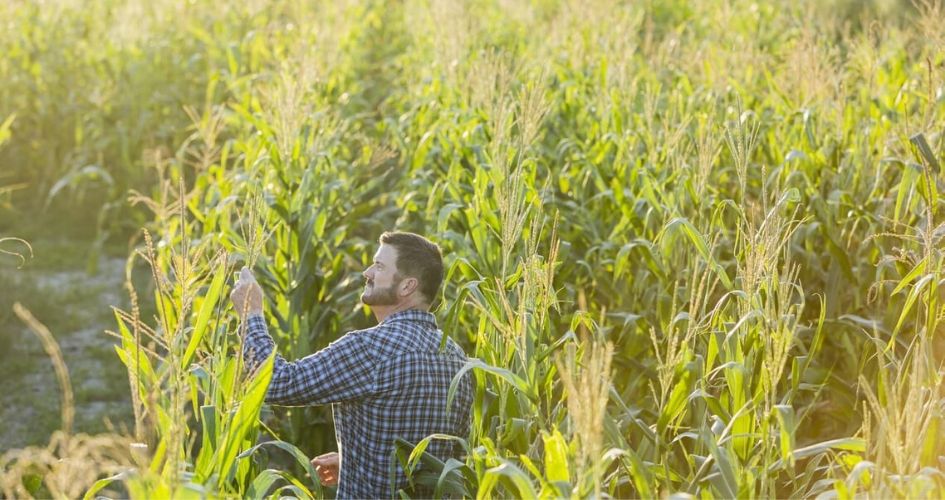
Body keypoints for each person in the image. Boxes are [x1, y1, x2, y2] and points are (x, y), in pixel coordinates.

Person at [230, 231, 474, 498]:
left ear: (407, 286)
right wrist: (355, 464)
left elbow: (277, 382)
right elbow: (445, 457)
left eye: (379, 266)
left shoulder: (371, 348)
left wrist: (251, 314)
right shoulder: (457, 357)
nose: (367, 273)